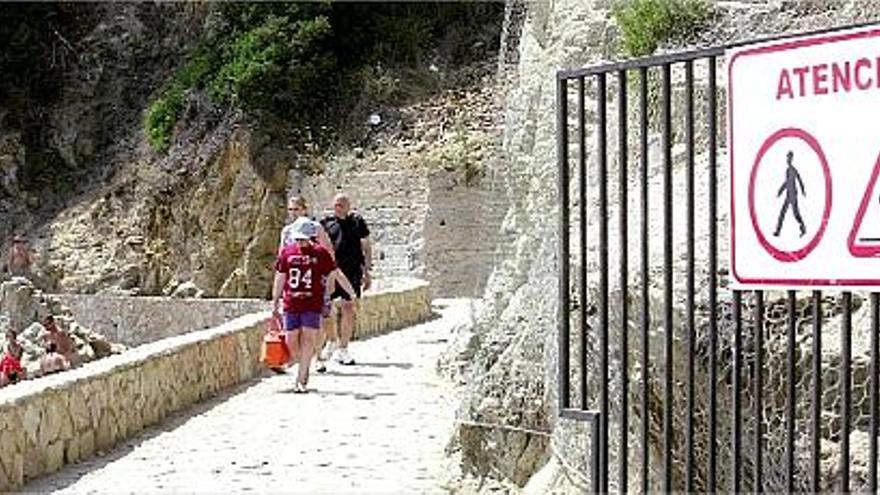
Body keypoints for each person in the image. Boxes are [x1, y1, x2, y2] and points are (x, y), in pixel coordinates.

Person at [272, 217, 357, 393]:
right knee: (291, 339)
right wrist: (275, 301)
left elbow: (336, 273)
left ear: (310, 236)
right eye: (298, 238)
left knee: (309, 338)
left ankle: (301, 379)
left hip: (312, 303)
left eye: (304, 238)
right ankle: (300, 367)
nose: (301, 242)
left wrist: (351, 292)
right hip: (291, 303)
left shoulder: (320, 253)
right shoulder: (287, 253)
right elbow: (280, 277)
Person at [279, 196, 336, 373]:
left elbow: (327, 253)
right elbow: (282, 256)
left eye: (296, 209)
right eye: (291, 210)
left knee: (315, 322)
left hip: (316, 281)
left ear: (304, 209)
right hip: (294, 284)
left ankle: (318, 357)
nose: (293, 213)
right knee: (297, 328)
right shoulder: (287, 231)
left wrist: (330, 282)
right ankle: (300, 361)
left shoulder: (316, 228)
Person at [320, 192, 372, 366]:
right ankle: (332, 339)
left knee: (348, 307)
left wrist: (367, 271)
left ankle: (343, 348)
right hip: (330, 272)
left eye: (341, 204)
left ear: (348, 206)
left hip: (352, 272)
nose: (338, 207)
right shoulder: (326, 224)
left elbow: (366, 247)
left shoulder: (358, 222)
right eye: (336, 204)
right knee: (327, 310)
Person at [773, 150, 807, 238]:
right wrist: (780, 191)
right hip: (789, 194)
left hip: (793, 195)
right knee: (783, 212)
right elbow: (787, 182)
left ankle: (803, 228)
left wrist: (803, 190)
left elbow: (799, 180)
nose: (787, 159)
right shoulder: (788, 170)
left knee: (796, 213)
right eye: (787, 157)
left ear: (791, 159)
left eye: (789, 157)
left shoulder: (793, 170)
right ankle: (778, 231)